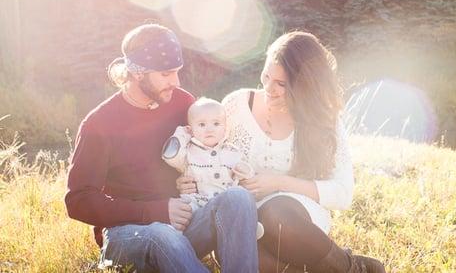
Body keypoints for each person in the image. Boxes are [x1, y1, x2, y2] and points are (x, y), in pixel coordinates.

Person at [178, 31, 386, 273]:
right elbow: (207, 152)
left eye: (281, 84)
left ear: (305, 86)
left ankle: (350, 268)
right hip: (243, 221)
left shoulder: (324, 121)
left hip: (294, 219)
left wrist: (278, 182)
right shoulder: (236, 106)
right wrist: (189, 180)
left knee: (275, 214)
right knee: (248, 260)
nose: (269, 89)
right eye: (266, 76)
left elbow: (342, 193)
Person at [65, 23, 258, 273]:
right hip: (126, 235)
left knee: (238, 199)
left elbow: (205, 149)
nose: (175, 82)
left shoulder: (182, 103)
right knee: (162, 234)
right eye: (166, 74)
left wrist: (193, 179)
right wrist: (155, 210)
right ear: (137, 73)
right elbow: (78, 201)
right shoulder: (99, 123)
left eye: (177, 72)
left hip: (181, 225)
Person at [162, 97, 264, 238]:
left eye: (216, 124)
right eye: (202, 125)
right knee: (185, 210)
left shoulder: (232, 151)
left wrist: (245, 171)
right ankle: (175, 234)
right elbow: (171, 157)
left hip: (225, 201)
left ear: (225, 128)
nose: (209, 129)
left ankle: (248, 226)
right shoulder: (188, 152)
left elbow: (246, 174)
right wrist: (182, 134)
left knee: (242, 200)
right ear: (191, 129)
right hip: (197, 201)